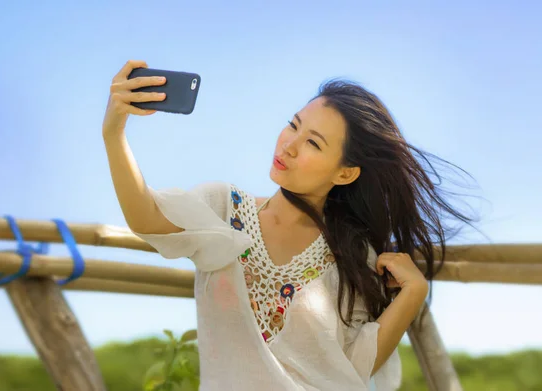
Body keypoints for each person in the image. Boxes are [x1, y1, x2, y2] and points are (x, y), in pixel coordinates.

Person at [103, 60, 478, 390]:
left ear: (345, 173)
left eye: (313, 143)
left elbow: (354, 367)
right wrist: (114, 134)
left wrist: (413, 292)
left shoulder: (351, 254)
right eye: (293, 125)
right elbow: (146, 217)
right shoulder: (224, 208)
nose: (289, 145)